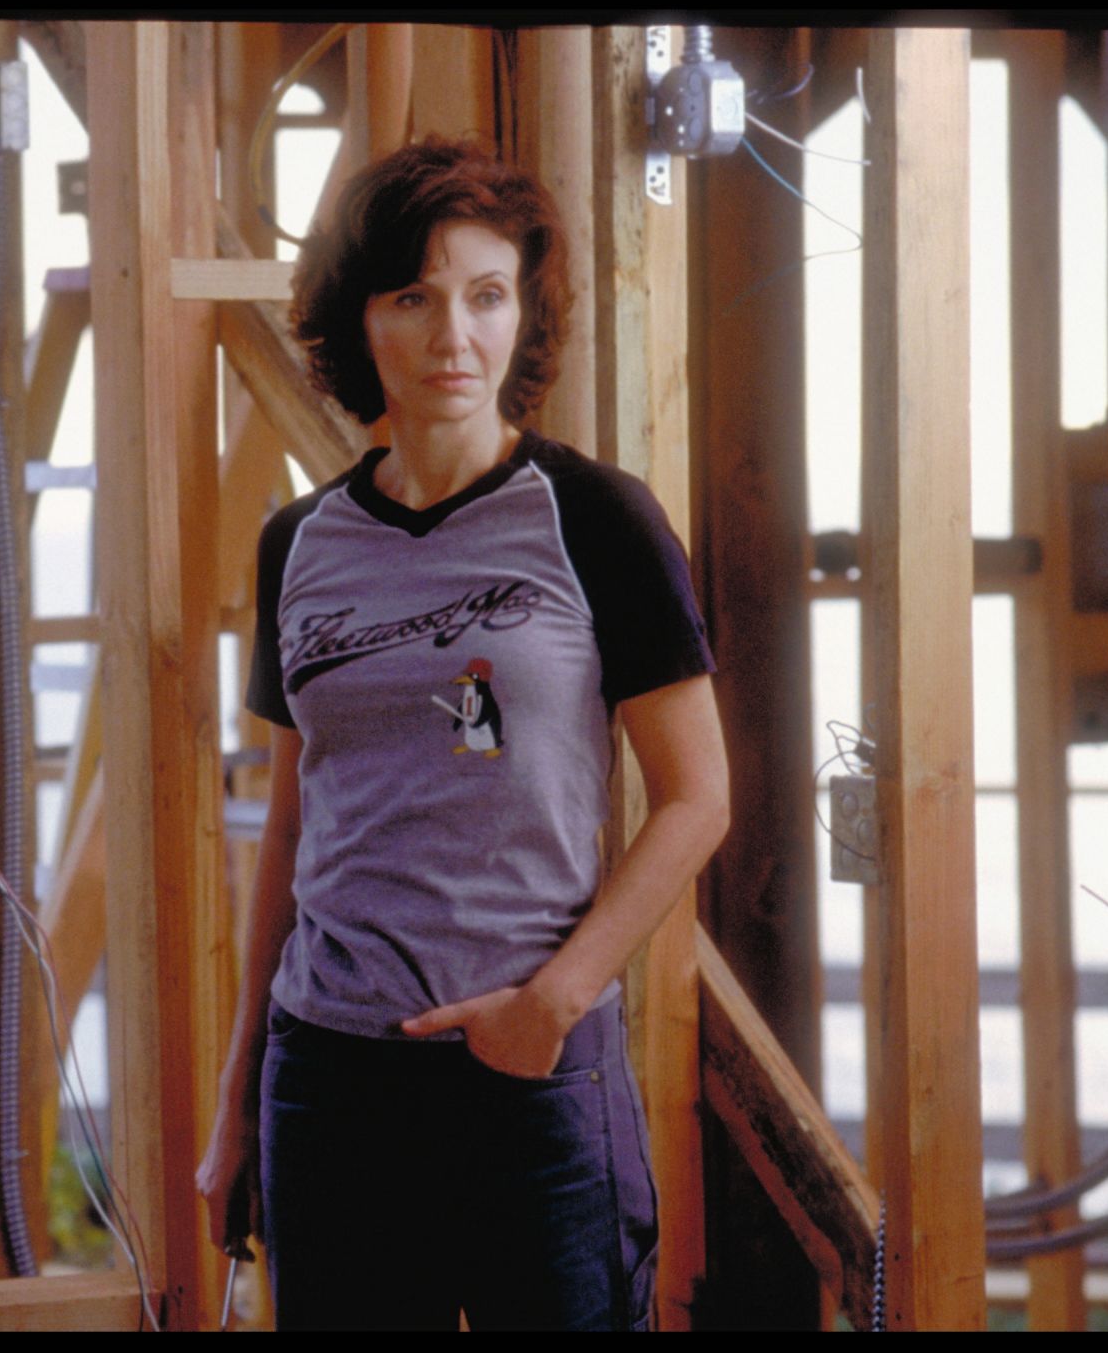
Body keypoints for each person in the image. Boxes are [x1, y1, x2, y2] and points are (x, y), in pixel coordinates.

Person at [195, 138, 730, 1331]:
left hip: (531, 1072)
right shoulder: (296, 544)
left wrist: (553, 1002)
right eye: (412, 298)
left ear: (520, 314)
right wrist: (241, 1096)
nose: (452, 336)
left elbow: (697, 797)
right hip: (328, 1074)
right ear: (359, 318)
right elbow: (292, 822)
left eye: (485, 296)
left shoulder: (596, 518)